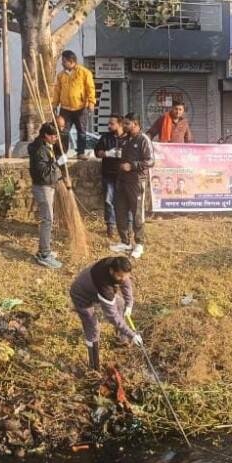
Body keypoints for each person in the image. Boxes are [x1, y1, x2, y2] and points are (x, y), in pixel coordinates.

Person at [69, 256, 142, 371]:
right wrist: (131, 334)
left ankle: (121, 340)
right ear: (111, 271)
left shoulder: (117, 265)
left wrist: (129, 304)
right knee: (93, 329)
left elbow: (125, 281)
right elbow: (112, 316)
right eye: (120, 276)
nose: (123, 279)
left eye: (125, 275)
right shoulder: (104, 286)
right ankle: (94, 367)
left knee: (120, 304)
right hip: (81, 295)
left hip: (93, 288)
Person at [110, 113, 153, 259]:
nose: (124, 126)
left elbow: (151, 161)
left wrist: (133, 165)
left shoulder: (144, 139)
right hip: (122, 181)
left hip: (136, 181)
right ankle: (125, 241)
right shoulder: (126, 139)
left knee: (137, 213)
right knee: (120, 210)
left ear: (135, 123)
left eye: (127, 124)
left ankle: (139, 244)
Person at [28, 122, 68, 269]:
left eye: (56, 135)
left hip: (48, 186)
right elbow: (43, 172)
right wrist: (56, 163)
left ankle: (46, 250)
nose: (56, 138)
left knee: (48, 219)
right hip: (43, 187)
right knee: (47, 220)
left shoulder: (47, 147)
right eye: (53, 135)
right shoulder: (40, 150)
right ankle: (44, 254)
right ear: (45, 136)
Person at [51, 50, 96, 160]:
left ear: (71, 61)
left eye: (64, 61)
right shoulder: (61, 75)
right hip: (65, 108)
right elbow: (57, 91)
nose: (62, 63)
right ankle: (62, 153)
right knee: (63, 132)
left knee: (81, 131)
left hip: (80, 107)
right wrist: (54, 104)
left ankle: (80, 153)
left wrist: (91, 102)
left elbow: (90, 88)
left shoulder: (85, 73)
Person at [94, 114, 126, 238]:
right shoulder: (105, 138)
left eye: (112, 123)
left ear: (120, 124)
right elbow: (97, 152)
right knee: (108, 200)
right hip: (108, 174)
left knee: (125, 201)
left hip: (124, 176)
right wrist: (107, 153)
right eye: (109, 123)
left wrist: (123, 155)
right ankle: (110, 227)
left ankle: (127, 226)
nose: (109, 126)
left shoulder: (127, 138)